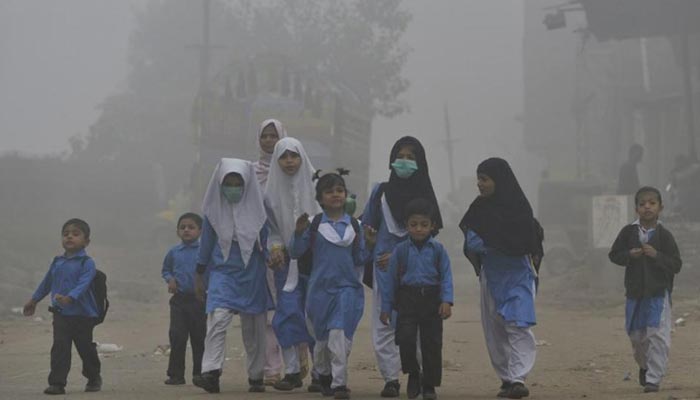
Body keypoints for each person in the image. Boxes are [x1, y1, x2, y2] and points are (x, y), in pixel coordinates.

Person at [361, 136, 443, 398]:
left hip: (415, 273)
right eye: (401, 156)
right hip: (383, 270)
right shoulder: (380, 193)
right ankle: (390, 378)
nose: (404, 162)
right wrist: (372, 245)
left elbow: (428, 234)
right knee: (384, 324)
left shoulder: (425, 197)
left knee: (417, 327)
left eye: (411, 157)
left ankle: (417, 375)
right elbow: (368, 226)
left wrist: (397, 254)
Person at [459, 158, 543, 400]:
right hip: (492, 278)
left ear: (499, 180)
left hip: (519, 276)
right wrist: (501, 243)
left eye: (484, 179)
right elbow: (473, 242)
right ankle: (507, 378)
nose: (480, 184)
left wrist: (494, 242)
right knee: (495, 329)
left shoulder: (519, 208)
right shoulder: (479, 209)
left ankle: (519, 377)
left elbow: (527, 241)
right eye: (479, 179)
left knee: (519, 324)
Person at [192, 159, 272, 394]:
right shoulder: (212, 211)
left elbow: (267, 243)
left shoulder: (259, 212)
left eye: (239, 183)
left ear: (247, 185)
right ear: (220, 184)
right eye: (229, 183)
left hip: (252, 274)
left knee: (254, 329)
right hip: (222, 274)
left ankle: (256, 376)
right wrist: (199, 274)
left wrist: (273, 257)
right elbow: (205, 244)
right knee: (217, 319)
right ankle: (211, 372)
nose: (234, 187)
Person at [289, 171, 369, 400]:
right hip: (319, 292)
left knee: (339, 335)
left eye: (339, 190)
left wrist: (370, 244)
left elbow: (360, 258)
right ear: (320, 198)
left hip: (347, 289)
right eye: (329, 191)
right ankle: (323, 374)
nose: (335, 195)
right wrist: (298, 232)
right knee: (322, 340)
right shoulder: (313, 225)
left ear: (346, 195)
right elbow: (295, 252)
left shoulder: (355, 226)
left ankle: (340, 384)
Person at [608, 186, 682, 393]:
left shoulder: (665, 236)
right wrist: (629, 255)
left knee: (657, 335)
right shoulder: (628, 232)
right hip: (634, 293)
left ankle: (653, 379)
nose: (647, 207)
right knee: (636, 336)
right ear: (636, 208)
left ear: (661, 208)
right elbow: (614, 255)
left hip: (658, 293)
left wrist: (657, 256)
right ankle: (644, 366)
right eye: (642, 204)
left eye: (652, 203)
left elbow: (676, 264)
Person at [379, 198, 453, 400]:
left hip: (431, 299)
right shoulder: (400, 251)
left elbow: (446, 277)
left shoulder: (438, 251)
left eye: (424, 225)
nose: (419, 229)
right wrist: (386, 307)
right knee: (405, 338)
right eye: (413, 225)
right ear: (406, 226)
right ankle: (413, 373)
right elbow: (390, 281)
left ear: (432, 226)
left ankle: (429, 385)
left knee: (432, 343)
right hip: (407, 299)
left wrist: (446, 300)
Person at [23, 218, 102, 395]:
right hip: (61, 314)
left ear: (86, 241)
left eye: (75, 234)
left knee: (85, 348)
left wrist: (70, 298)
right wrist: (34, 300)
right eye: (66, 234)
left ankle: (94, 377)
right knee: (60, 347)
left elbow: (83, 284)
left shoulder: (87, 263)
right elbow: (47, 282)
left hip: (82, 315)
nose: (69, 237)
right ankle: (57, 383)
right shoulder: (58, 262)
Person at [264, 137, 319, 391]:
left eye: (293, 156)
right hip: (285, 263)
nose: (289, 162)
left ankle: (322, 372)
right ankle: (293, 371)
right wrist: (275, 247)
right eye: (283, 157)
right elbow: (271, 229)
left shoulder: (318, 186)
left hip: (316, 262)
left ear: (302, 157)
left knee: (315, 316)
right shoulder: (269, 195)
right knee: (286, 313)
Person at [253, 118, 288, 385]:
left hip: (289, 249)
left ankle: (298, 366)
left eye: (273, 136)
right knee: (265, 312)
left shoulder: (292, 168)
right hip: (258, 248)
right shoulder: (250, 172)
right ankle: (270, 368)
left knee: (290, 307)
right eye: (264, 136)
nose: (268, 141)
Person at [161, 212, 206, 386]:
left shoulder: (204, 251)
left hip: (200, 300)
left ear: (200, 231)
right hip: (179, 301)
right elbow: (166, 269)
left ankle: (200, 374)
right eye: (182, 227)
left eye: (191, 227)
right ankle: (176, 375)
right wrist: (170, 279)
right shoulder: (173, 252)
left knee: (199, 338)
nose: (186, 230)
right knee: (177, 336)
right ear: (178, 231)